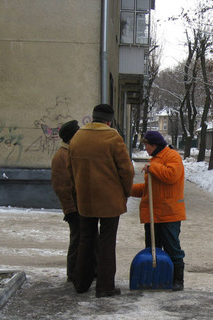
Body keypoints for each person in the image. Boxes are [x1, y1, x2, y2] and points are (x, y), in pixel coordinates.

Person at [67, 104, 135, 298]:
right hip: (109, 200)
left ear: (93, 117)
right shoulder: (113, 137)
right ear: (109, 120)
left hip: (85, 199)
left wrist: (76, 191)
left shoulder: (77, 137)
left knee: (85, 239)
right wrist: (126, 191)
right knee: (107, 242)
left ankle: (81, 283)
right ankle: (105, 286)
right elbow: (126, 170)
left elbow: (69, 169)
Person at [131, 131, 186, 291]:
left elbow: (171, 175)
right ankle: (157, 277)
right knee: (153, 249)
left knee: (172, 248)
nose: (146, 148)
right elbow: (149, 189)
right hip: (153, 214)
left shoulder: (172, 156)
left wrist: (153, 167)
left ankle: (177, 280)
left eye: (148, 145)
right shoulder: (155, 161)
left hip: (169, 213)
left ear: (156, 145)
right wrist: (128, 189)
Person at [51, 120, 80, 282]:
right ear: (72, 137)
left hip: (80, 205)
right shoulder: (61, 157)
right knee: (76, 239)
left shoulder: (71, 153)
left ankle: (85, 270)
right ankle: (73, 273)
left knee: (84, 238)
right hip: (74, 207)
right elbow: (61, 186)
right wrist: (69, 209)